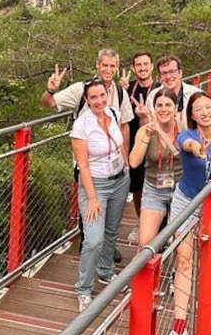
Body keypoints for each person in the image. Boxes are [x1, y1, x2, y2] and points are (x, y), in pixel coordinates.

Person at [42, 49, 134, 264]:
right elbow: (49, 104)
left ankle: (105, 249)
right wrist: (50, 90)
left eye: (113, 66)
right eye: (105, 65)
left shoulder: (120, 93)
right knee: (90, 214)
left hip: (114, 166)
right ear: (97, 65)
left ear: (117, 67)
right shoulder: (81, 90)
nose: (109, 70)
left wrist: (126, 159)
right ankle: (90, 250)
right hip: (87, 164)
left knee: (111, 210)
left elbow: (124, 126)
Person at [163, 92, 211, 335]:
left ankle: (207, 318)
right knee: (183, 261)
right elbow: (187, 146)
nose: (204, 112)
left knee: (209, 262)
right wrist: (197, 149)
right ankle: (179, 327)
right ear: (192, 115)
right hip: (186, 202)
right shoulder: (187, 135)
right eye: (198, 109)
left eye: (208, 107)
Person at [70, 79, 130, 312]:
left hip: (119, 180)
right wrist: (92, 198)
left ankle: (106, 272)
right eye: (93, 97)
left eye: (102, 95)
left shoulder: (113, 113)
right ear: (86, 99)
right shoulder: (81, 126)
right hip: (95, 185)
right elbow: (83, 165)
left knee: (111, 230)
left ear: (108, 95)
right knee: (93, 239)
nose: (99, 101)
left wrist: (126, 166)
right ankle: (83, 288)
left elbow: (120, 144)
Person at [128, 89, 183, 248]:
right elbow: (133, 162)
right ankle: (146, 272)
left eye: (168, 105)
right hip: (154, 189)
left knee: (181, 243)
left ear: (176, 107)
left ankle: (175, 270)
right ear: (154, 108)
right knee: (145, 244)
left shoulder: (184, 129)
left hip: (180, 189)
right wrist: (146, 136)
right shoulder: (145, 131)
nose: (163, 109)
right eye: (159, 105)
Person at [120, 51, 160, 243]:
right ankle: (141, 221)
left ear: (152, 66)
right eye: (138, 65)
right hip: (135, 145)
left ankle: (161, 226)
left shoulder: (160, 89)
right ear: (134, 68)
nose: (142, 68)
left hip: (155, 144)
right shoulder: (129, 91)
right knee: (137, 187)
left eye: (146, 64)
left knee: (157, 183)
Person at [144, 55, 201, 130]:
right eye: (163, 73)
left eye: (172, 71)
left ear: (180, 72)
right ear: (159, 77)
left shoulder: (195, 94)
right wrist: (143, 116)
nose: (168, 76)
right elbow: (148, 125)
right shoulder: (152, 96)